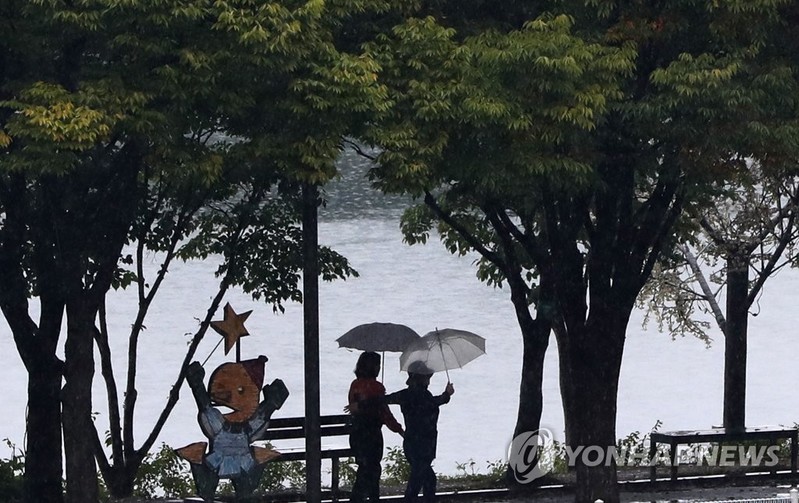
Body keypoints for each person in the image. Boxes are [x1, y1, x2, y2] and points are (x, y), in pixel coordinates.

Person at [383, 361, 454, 503]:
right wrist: (447, 394)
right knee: (422, 480)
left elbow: (386, 399)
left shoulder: (405, 394)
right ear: (422, 378)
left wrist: (374, 398)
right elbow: (435, 402)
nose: (429, 380)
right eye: (427, 377)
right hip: (423, 445)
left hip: (413, 443)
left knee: (424, 478)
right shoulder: (423, 395)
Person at [347, 351, 404, 502]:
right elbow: (384, 413)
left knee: (364, 469)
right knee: (373, 470)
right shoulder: (377, 387)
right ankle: (370, 498)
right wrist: (398, 429)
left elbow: (353, 406)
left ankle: (359, 498)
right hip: (371, 434)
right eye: (377, 365)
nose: (379, 368)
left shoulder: (355, 385)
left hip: (357, 433)